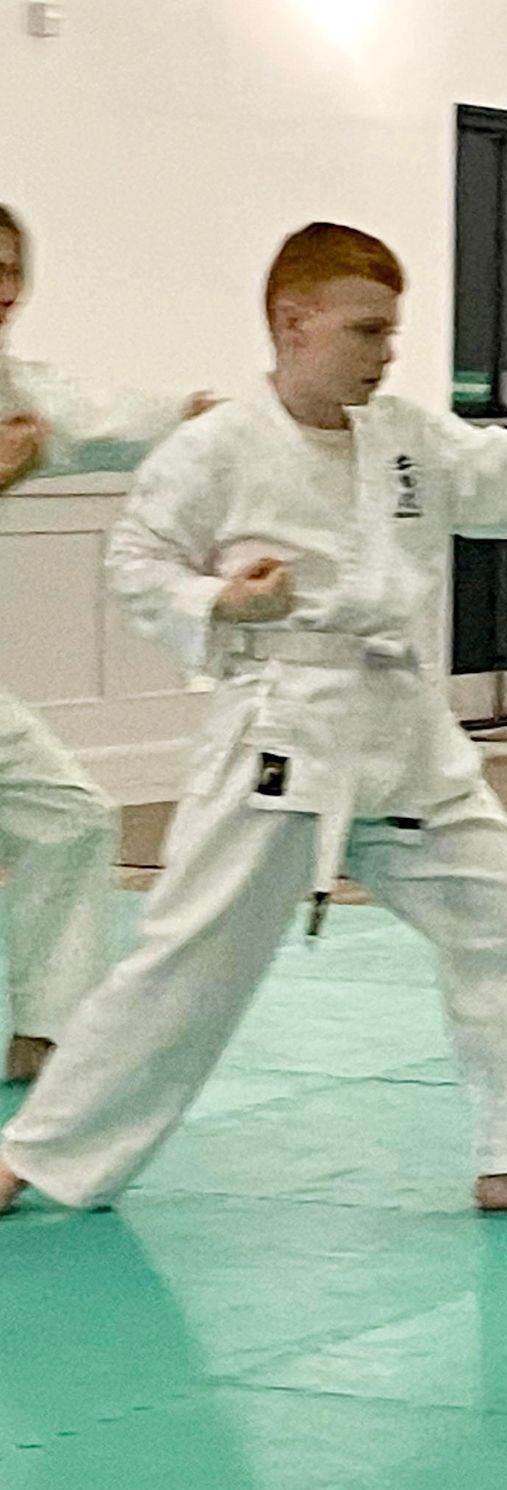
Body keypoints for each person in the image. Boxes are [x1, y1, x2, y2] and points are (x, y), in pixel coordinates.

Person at [0, 222, 507, 1218]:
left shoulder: (406, 440)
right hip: (283, 733)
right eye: (366, 331)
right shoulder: (216, 450)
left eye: (392, 331)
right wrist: (222, 603)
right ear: (293, 321)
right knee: (191, 963)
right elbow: (138, 565)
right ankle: (34, 1154)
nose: (386, 353)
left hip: (401, 731)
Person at [0, 204, 211, 1084]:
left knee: (71, 815)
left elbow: (105, 416)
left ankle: (49, 1030)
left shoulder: (18, 393)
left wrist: (212, 415)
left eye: (12, 269)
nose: (4, 289)